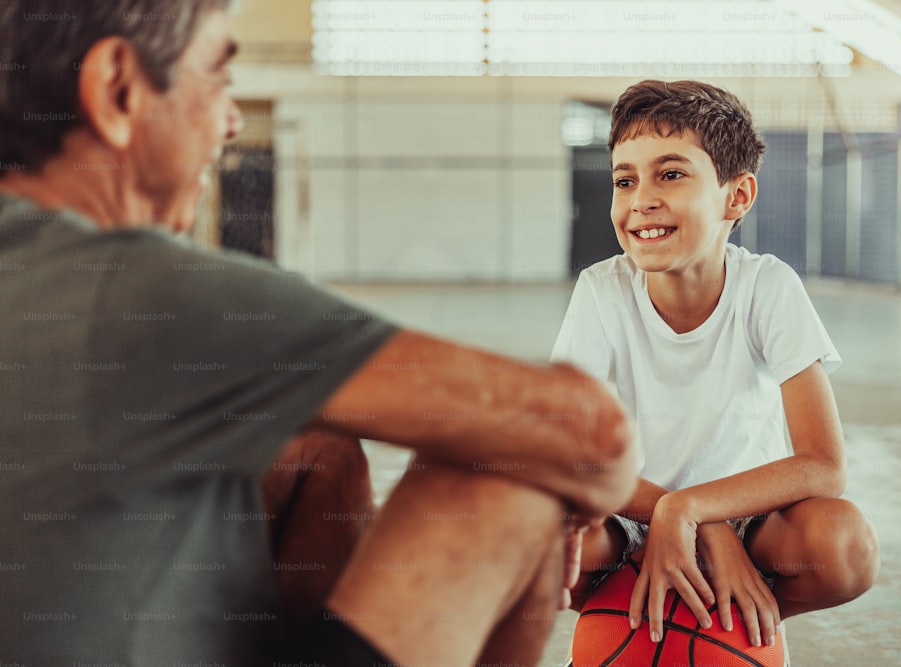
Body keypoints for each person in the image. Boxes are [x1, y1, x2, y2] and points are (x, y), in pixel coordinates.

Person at [0, 2, 637, 666]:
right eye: (218, 75)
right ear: (118, 89)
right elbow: (595, 433)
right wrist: (581, 501)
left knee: (319, 448)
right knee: (512, 465)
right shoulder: (154, 291)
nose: (231, 119)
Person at [553, 80, 880, 654]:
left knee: (844, 545)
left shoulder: (767, 286)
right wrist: (670, 515)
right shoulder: (601, 291)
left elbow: (823, 465)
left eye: (671, 174)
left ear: (737, 197)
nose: (641, 199)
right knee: (530, 534)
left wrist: (697, 512)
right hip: (629, 518)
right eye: (625, 179)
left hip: (750, 524)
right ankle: (627, 614)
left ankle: (736, 632)